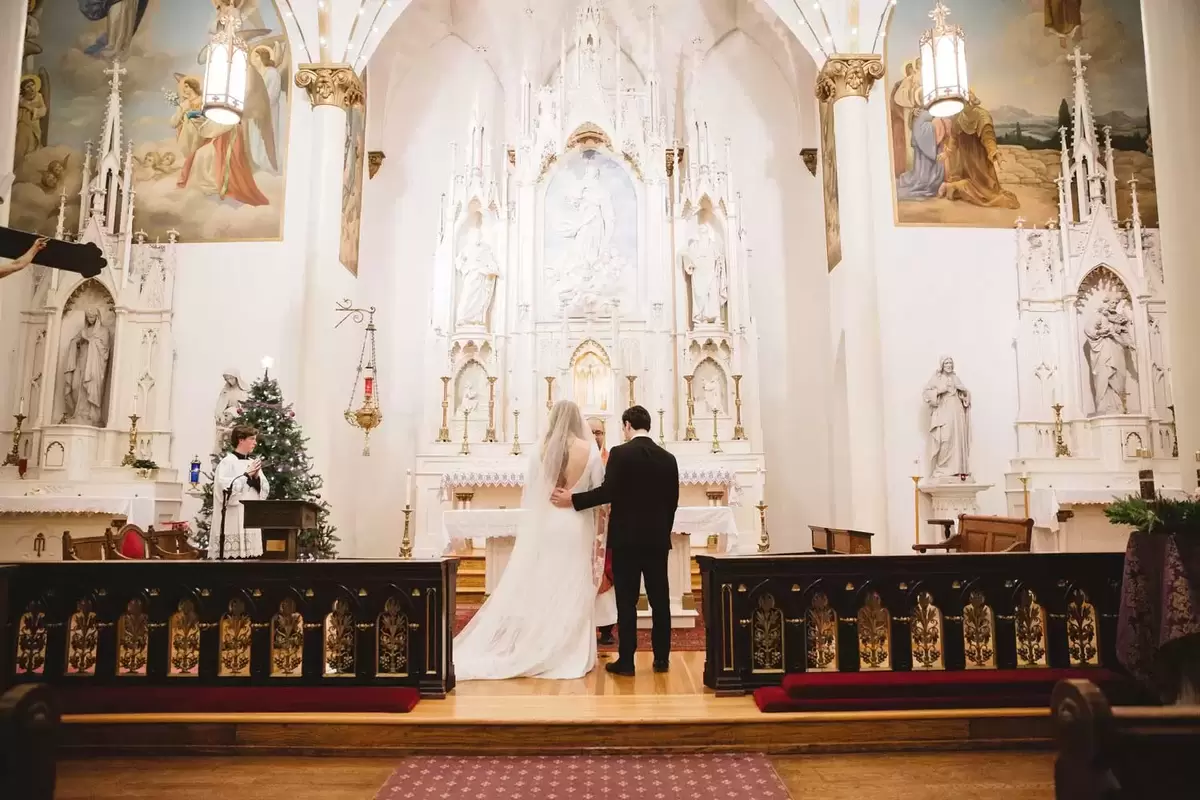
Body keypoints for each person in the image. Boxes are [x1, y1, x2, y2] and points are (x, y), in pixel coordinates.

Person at [454, 400, 605, 680]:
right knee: (573, 581)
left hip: (548, 522)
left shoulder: (540, 450)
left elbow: (535, 489)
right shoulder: (590, 450)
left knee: (547, 581)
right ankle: (571, 651)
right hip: (575, 522)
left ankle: (541, 643)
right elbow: (599, 489)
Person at [553, 405, 679, 676]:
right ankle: (661, 659)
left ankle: (627, 662)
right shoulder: (668, 458)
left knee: (627, 602)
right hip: (657, 542)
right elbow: (672, 503)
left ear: (626, 426)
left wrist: (572, 500)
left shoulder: (621, 454)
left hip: (626, 541)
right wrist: (661, 532)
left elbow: (607, 492)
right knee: (660, 601)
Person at [212, 424, 270, 559]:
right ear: (241, 439)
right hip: (233, 516)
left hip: (251, 516)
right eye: (252, 439)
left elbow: (265, 489)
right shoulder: (227, 463)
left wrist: (256, 479)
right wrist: (246, 476)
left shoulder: (252, 462)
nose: (255, 442)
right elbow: (225, 490)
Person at [589, 418, 616, 646]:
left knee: (606, 572)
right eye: (592, 432)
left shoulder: (612, 459)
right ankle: (586, 625)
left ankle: (607, 628)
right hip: (584, 526)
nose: (596, 436)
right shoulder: (579, 460)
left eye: (600, 432)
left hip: (607, 527)